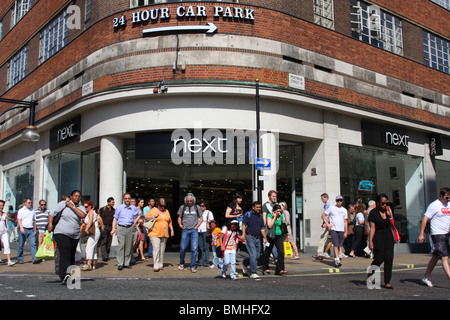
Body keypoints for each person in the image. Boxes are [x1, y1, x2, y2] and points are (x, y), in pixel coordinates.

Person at [48, 190, 86, 284]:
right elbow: (52, 214)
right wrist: (50, 224)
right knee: (65, 252)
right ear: (71, 196)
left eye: (79, 196)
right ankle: (64, 274)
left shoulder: (81, 207)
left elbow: (82, 215)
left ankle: (70, 273)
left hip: (75, 234)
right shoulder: (63, 204)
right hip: (61, 232)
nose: (77, 198)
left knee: (71, 254)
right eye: (75, 196)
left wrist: (72, 206)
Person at [418, 187, 450, 288]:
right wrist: (421, 234)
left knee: (436, 256)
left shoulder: (449, 204)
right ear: (441, 196)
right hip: (437, 234)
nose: (448, 200)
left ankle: (426, 277)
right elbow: (425, 219)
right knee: (445, 257)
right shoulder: (434, 205)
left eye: (449, 198)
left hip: (446, 234)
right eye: (446, 198)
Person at [368, 193, 395, 289]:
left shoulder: (388, 211)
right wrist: (370, 241)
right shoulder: (373, 213)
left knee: (389, 258)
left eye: (386, 203)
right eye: (383, 203)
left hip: (388, 237)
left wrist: (390, 215)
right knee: (379, 258)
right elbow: (372, 228)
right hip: (378, 237)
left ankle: (387, 281)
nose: (385, 205)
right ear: (378, 203)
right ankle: (370, 272)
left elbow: (392, 223)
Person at [111, 193, 141, 270]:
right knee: (121, 245)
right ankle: (120, 263)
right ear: (123, 199)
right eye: (126, 198)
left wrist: (135, 221)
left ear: (130, 199)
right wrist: (113, 229)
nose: (127, 200)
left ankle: (127, 262)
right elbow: (115, 218)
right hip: (121, 227)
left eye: (128, 198)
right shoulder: (119, 208)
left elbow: (140, 214)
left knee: (128, 246)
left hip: (129, 228)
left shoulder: (133, 208)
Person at [145, 198, 174, 272]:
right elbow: (146, 217)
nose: (162, 208)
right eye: (161, 206)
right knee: (156, 249)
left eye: (164, 206)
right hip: (154, 233)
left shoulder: (166, 211)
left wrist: (171, 230)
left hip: (164, 233)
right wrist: (154, 216)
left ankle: (160, 264)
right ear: (157, 205)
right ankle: (156, 265)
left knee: (162, 250)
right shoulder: (154, 210)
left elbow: (169, 221)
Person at [177, 193, 203, 272]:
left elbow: (201, 218)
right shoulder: (183, 207)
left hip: (194, 230)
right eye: (188, 201)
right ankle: (181, 263)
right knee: (182, 248)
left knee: (194, 248)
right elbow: (179, 217)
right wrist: (180, 225)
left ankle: (193, 266)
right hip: (185, 229)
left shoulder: (197, 207)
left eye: (190, 201)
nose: (189, 202)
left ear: (193, 201)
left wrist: (196, 226)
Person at [242, 201, 267, 279]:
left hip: (257, 238)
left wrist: (265, 238)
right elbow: (243, 225)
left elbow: (262, 228)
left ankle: (245, 263)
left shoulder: (260, 217)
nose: (259, 209)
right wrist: (243, 235)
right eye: (257, 207)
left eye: (260, 207)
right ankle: (253, 272)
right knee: (253, 255)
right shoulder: (248, 214)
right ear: (253, 207)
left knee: (256, 256)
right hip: (249, 237)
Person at [322, 195, 348, 268]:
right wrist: (327, 224)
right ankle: (336, 259)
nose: (339, 202)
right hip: (334, 229)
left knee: (339, 245)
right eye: (338, 200)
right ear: (336, 201)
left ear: (342, 201)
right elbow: (323, 215)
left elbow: (345, 221)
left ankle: (336, 258)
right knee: (336, 244)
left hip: (341, 229)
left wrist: (346, 231)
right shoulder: (332, 208)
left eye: (340, 200)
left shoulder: (344, 210)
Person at [262, 204, 287, 275]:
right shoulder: (269, 216)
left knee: (281, 252)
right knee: (268, 251)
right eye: (277, 211)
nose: (278, 213)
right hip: (271, 236)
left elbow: (283, 225)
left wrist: (285, 234)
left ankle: (280, 269)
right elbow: (269, 225)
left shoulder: (281, 216)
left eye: (279, 211)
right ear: (274, 211)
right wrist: (274, 218)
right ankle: (266, 267)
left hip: (279, 236)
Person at [17, 198, 39, 264]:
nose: (30, 204)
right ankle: (20, 259)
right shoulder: (21, 210)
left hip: (31, 229)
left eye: (31, 202)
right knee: (21, 245)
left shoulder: (32, 210)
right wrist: (21, 228)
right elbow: (19, 219)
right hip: (24, 228)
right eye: (29, 203)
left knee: (33, 244)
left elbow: (34, 220)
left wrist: (34, 229)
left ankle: (34, 258)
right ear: (25, 203)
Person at [81, 201, 101, 271]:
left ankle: (88, 264)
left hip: (93, 231)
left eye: (86, 207)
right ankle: (94, 264)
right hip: (95, 231)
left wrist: (86, 228)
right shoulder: (92, 212)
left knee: (89, 247)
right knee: (93, 247)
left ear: (90, 206)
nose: (85, 208)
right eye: (84, 207)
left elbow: (90, 221)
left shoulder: (90, 212)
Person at [313, 193, 334, 260]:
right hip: (327, 223)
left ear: (326, 198)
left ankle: (320, 253)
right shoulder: (326, 205)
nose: (322, 200)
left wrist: (326, 223)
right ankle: (321, 253)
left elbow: (330, 215)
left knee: (323, 238)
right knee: (325, 238)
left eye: (322, 198)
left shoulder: (330, 205)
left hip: (329, 223)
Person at [198, 201, 214, 267]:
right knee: (200, 247)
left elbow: (212, 222)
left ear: (206, 206)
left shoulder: (208, 213)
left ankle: (206, 261)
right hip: (199, 230)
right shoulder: (198, 213)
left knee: (206, 247)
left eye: (203, 206)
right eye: (200, 205)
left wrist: (211, 230)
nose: (201, 207)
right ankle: (200, 261)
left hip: (206, 230)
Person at [98, 197, 115, 261]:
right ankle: (104, 256)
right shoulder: (103, 209)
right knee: (103, 241)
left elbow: (115, 219)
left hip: (110, 227)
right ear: (108, 202)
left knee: (109, 242)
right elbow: (98, 216)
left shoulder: (114, 210)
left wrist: (114, 227)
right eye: (112, 202)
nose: (113, 203)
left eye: (113, 202)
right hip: (104, 226)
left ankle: (107, 254)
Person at [0, 200, 15, 266]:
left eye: (2, 205)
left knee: (7, 245)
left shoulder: (4, 214)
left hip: (3, 232)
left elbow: (5, 222)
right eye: (0, 205)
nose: (1, 207)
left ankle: (9, 260)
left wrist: (6, 229)